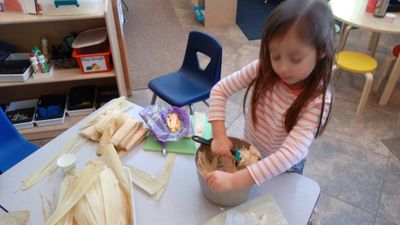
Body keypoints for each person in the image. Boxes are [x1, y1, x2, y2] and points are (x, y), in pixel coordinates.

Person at [206, 0, 335, 192]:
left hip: (285, 168)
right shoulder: (263, 68)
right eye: (275, 55)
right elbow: (220, 90)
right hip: (251, 150)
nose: (282, 68)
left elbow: (290, 153)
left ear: (322, 51)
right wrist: (219, 135)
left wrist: (234, 181)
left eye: (296, 58)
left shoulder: (318, 99)